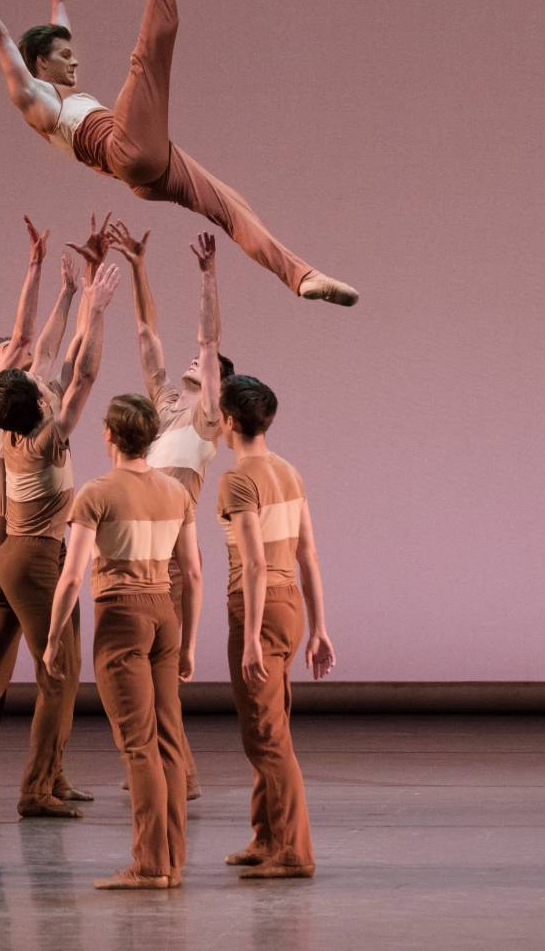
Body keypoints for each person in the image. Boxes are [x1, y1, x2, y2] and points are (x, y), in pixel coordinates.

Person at [0, 0, 358, 306]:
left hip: (145, 168)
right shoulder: (33, 98)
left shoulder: (63, 94)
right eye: (64, 56)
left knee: (232, 206)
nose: (75, 60)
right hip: (125, 150)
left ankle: (303, 277)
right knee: (145, 63)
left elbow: (60, 35)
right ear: (39, 63)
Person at [0, 261, 122, 818]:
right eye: (17, 362)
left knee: (2, 671)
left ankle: (38, 775)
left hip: (20, 546)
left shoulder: (7, 415)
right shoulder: (38, 432)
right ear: (0, 375)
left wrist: (66, 289)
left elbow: (54, 349)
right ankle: (32, 786)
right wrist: (94, 307)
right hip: (26, 550)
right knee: (51, 670)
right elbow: (77, 369)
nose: (31, 365)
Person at [44, 394, 203, 889]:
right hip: (164, 615)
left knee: (138, 746)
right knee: (168, 741)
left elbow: (71, 577)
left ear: (109, 435)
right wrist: (191, 642)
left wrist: (53, 640)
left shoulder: (96, 493)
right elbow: (193, 573)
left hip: (120, 616)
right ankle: (170, 860)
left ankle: (151, 864)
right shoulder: (177, 493)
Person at [109, 222, 229, 801]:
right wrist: (137, 267)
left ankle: (176, 781)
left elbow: (206, 345)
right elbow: (146, 331)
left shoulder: (207, 419)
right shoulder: (160, 406)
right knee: (147, 685)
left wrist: (209, 278)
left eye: (207, 368)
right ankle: (176, 777)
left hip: (175, 560)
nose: (193, 356)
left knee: (165, 682)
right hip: (139, 557)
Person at [215, 376, 337, 879]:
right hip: (289, 608)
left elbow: (257, 564)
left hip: (258, 606)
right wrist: (319, 627)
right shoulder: (289, 472)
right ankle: (266, 836)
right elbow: (307, 552)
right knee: (273, 725)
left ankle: (293, 851)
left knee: (264, 735)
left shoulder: (238, 480)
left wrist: (249, 642)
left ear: (228, 421)